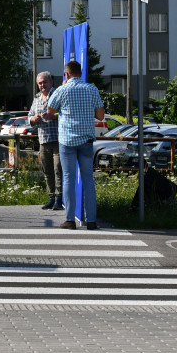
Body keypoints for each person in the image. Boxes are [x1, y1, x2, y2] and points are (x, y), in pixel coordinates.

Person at [47, 60, 104, 230]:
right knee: (88, 180)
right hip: (86, 141)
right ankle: (91, 221)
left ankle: (70, 220)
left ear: (66, 74)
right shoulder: (92, 89)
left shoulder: (62, 90)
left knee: (68, 178)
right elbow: (100, 116)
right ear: (81, 72)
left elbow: (50, 110)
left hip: (67, 141)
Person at [27, 71, 62, 211]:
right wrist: (33, 119)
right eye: (40, 83)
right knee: (47, 170)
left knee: (58, 169)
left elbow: (66, 113)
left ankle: (59, 199)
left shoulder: (58, 94)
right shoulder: (36, 98)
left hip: (58, 139)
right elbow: (29, 116)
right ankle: (51, 197)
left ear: (51, 82)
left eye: (45, 82)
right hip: (43, 140)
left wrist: (54, 116)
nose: (43, 85)